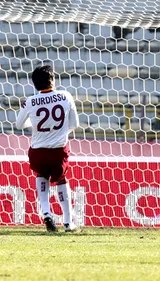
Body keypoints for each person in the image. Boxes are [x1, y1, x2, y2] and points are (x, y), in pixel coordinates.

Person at [15, 65, 80, 233]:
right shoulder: (65, 96)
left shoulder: (30, 101)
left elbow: (18, 124)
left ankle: (46, 213)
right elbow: (75, 124)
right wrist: (59, 131)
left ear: (35, 84)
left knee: (41, 175)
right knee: (61, 179)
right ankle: (67, 222)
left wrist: (36, 126)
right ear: (53, 80)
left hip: (37, 152)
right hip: (58, 150)